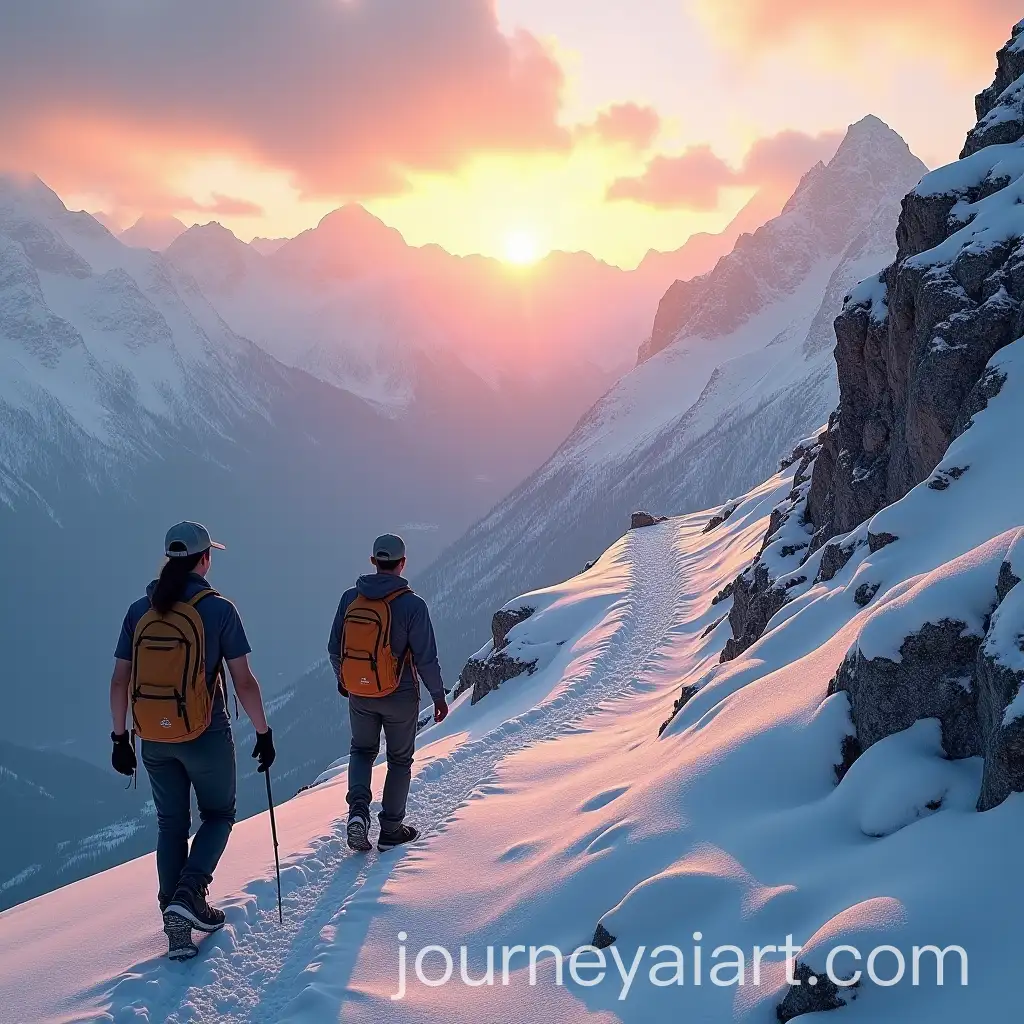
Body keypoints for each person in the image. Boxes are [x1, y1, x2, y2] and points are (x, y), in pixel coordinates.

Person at [109, 521, 275, 960]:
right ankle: (190, 894)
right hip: (205, 734)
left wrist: (120, 737)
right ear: (205, 560)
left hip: (152, 738)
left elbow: (120, 680)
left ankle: (175, 923)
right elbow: (243, 682)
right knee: (218, 814)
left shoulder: (139, 610)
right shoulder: (219, 610)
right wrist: (263, 732)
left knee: (171, 824)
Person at [328, 533, 448, 854]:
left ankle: (358, 812)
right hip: (400, 696)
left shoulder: (350, 598)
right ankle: (391, 830)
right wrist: (438, 696)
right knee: (399, 759)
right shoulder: (413, 605)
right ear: (402, 563)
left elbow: (334, 648)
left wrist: (346, 681)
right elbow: (426, 658)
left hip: (360, 694)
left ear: (373, 561)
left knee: (361, 751)